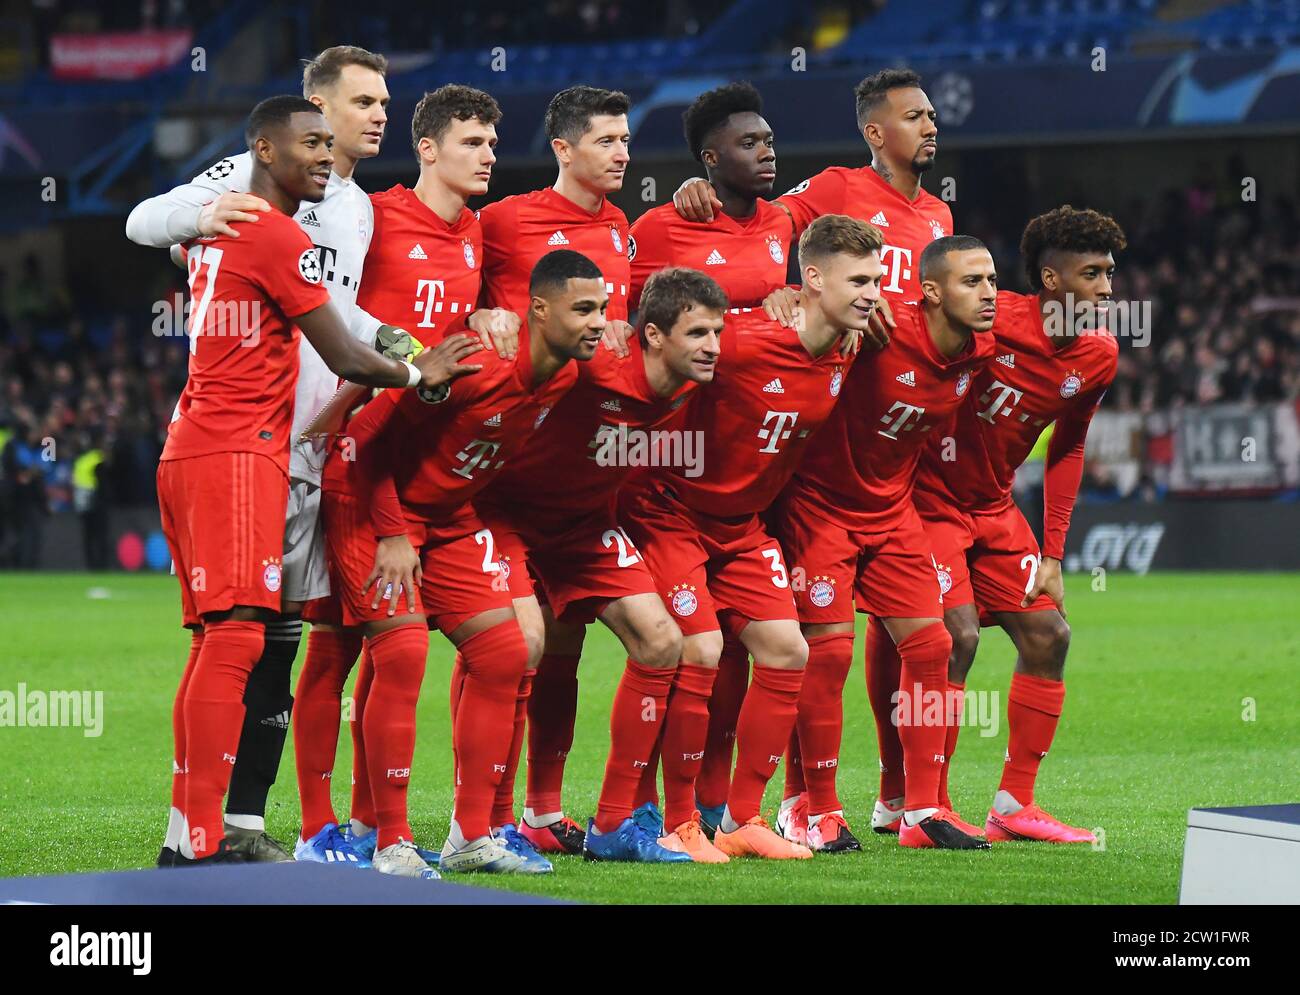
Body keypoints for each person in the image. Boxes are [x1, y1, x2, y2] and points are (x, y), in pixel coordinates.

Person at [156, 94, 476, 866]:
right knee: (235, 638)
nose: (326, 157)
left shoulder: (222, 230)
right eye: (310, 143)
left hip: (201, 444)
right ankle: (200, 837)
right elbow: (346, 355)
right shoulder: (271, 232)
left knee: (216, 642)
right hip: (238, 452)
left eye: (329, 145)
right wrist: (417, 369)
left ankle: (192, 830)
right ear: (263, 150)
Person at [317, 249, 605, 876]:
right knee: (401, 653)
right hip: (370, 501)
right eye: (583, 309)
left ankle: (471, 836)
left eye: (603, 309)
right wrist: (394, 533)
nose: (597, 322)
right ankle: (390, 841)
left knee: (504, 653)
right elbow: (361, 442)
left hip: (448, 517)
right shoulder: (470, 362)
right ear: (537, 310)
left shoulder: (562, 378)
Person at [291, 82, 518, 867]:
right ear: (427, 149)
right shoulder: (374, 217)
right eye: (472, 143)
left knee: (459, 652)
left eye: (493, 143)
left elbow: (460, 333)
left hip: (417, 466)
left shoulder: (479, 234)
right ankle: (325, 829)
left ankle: (397, 829)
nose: (488, 155)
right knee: (335, 645)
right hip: (344, 451)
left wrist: (489, 313)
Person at [618, 214, 882, 860]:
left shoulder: (846, 346)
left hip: (741, 527)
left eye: (877, 278)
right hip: (672, 510)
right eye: (859, 280)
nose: (873, 293)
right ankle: (678, 821)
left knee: (789, 650)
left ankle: (742, 817)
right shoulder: (738, 343)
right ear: (811, 278)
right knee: (700, 651)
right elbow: (650, 360)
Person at [474, 267, 725, 862]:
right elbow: (522, 347)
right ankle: (491, 822)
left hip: (586, 525)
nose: (712, 346)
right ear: (655, 336)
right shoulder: (595, 362)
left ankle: (613, 827)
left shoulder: (697, 377)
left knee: (662, 641)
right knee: (518, 648)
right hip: (507, 513)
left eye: (717, 332)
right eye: (697, 333)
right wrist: (484, 315)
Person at [775, 235, 998, 850]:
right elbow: (824, 304)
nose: (989, 294)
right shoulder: (875, 328)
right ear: (929, 293)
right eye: (972, 282)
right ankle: (813, 807)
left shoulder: (983, 349)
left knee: (932, 646)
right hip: (819, 508)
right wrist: (787, 296)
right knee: (828, 655)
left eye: (991, 280)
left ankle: (921, 812)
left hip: (895, 509)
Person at [911, 206, 1123, 843]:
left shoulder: (1099, 356)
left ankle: (1013, 804)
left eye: (1110, 272)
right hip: (926, 500)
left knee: (1048, 636)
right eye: (1092, 273)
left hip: (995, 508)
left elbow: (1067, 449)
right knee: (957, 638)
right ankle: (931, 807)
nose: (1108, 288)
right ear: (1051, 279)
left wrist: (1054, 553)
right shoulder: (987, 315)